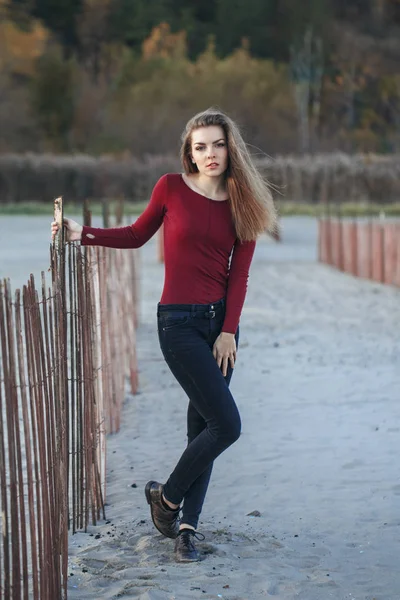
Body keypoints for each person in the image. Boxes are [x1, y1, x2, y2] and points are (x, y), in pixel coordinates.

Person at [51, 107, 277, 563]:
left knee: (204, 428)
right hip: (177, 324)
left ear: (230, 148)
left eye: (218, 144)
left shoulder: (244, 200)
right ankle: (167, 499)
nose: (210, 154)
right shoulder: (170, 188)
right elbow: (137, 235)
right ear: (188, 153)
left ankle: (186, 530)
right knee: (227, 426)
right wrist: (82, 234)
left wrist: (229, 331)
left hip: (220, 330)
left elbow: (240, 276)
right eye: (200, 147)